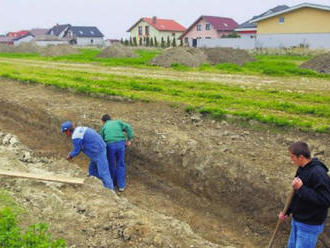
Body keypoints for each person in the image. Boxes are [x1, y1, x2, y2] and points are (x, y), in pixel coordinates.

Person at [278, 141, 330, 248]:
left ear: (301, 157)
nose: (291, 160)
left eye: (292, 157)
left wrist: (301, 188)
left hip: (309, 224)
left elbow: (325, 200)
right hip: (298, 220)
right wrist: (287, 212)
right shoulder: (302, 169)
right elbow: (296, 194)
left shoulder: (318, 173)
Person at [61, 121, 114, 191]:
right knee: (92, 170)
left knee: (103, 173)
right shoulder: (78, 129)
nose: (65, 134)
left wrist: (70, 155)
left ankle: (110, 190)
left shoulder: (75, 136)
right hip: (97, 149)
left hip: (98, 151)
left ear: (68, 130)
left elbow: (77, 150)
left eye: (64, 132)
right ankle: (96, 185)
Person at [99, 114, 134, 192]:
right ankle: (121, 185)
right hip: (121, 144)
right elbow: (128, 127)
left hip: (110, 145)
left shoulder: (104, 126)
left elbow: (100, 139)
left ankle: (113, 183)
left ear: (103, 121)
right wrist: (129, 139)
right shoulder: (118, 122)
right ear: (110, 119)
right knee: (120, 164)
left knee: (111, 164)